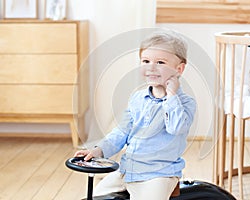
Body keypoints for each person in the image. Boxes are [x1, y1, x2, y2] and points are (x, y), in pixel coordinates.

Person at [74, 30, 197, 200]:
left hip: (158, 174)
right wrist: (99, 150)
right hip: (128, 169)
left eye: (160, 62)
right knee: (96, 195)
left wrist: (171, 95)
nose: (151, 67)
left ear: (179, 69)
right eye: (145, 61)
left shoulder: (184, 103)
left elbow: (176, 128)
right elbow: (122, 131)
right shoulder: (138, 98)